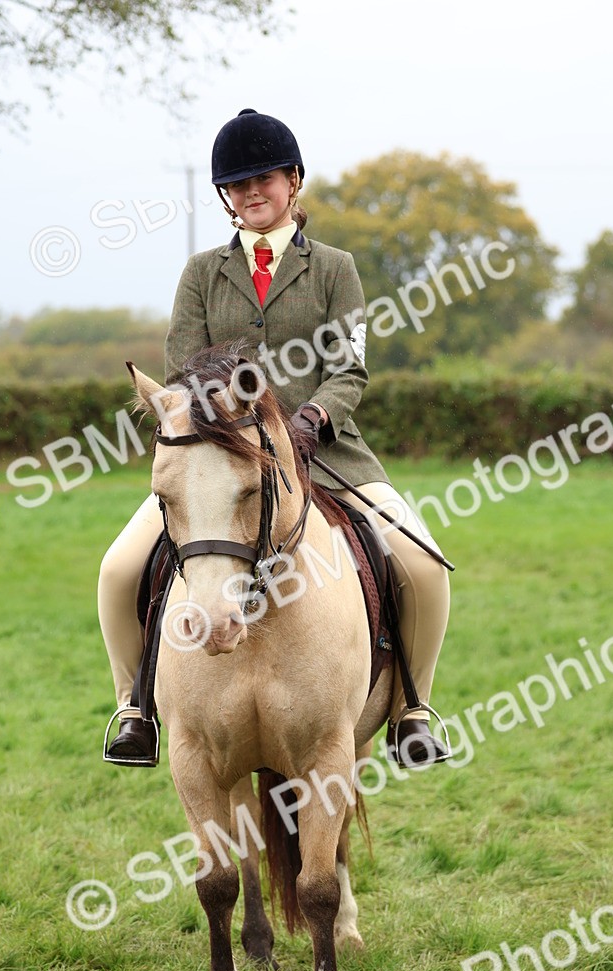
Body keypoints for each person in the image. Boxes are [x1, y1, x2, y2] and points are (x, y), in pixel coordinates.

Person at [98, 108, 451, 768]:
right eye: (236, 185)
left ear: (292, 181)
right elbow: (182, 370)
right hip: (219, 466)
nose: (250, 192)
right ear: (225, 197)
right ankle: (134, 708)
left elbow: (348, 366)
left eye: (262, 178)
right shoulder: (202, 273)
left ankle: (413, 708)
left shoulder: (335, 268)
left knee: (424, 566)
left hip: (326, 453)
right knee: (118, 569)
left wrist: (314, 418)